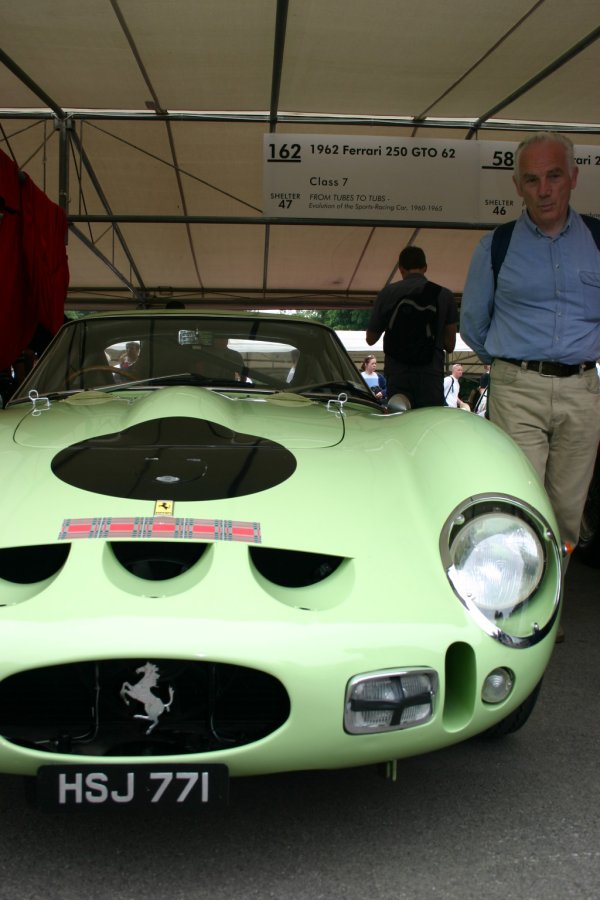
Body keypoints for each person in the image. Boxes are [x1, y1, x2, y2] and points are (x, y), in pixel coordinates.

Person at [461, 131, 600, 567]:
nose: (544, 190)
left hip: (582, 389)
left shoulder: (597, 240)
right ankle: (517, 601)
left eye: (554, 176)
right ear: (518, 186)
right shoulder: (496, 246)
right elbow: (473, 325)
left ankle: (550, 600)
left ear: (574, 177)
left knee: (567, 512)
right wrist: (510, 366)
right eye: (532, 179)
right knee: (520, 500)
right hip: (517, 387)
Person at [366, 245, 458, 408]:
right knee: (429, 424)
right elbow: (450, 345)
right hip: (430, 374)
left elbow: (371, 339)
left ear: (400, 269)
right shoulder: (445, 295)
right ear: (425, 268)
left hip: (398, 372)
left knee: (399, 422)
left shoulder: (387, 293)